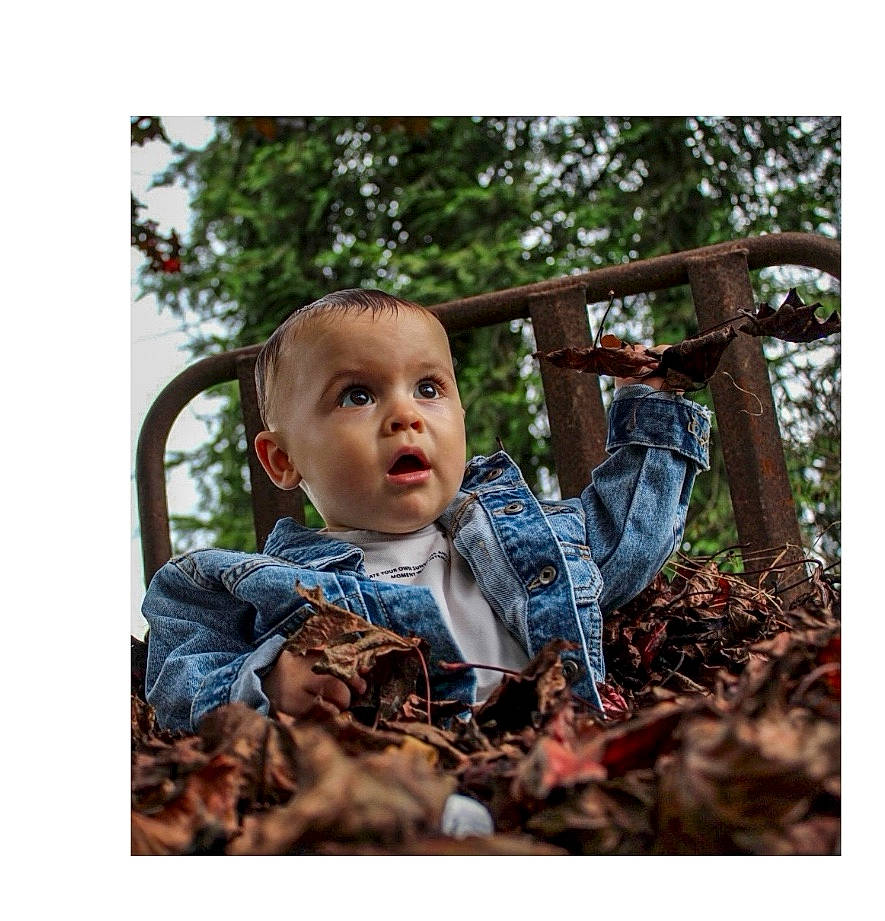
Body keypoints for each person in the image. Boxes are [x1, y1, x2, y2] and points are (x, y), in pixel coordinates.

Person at [142, 289, 711, 736]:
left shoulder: (522, 542)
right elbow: (177, 670)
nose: (404, 415)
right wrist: (266, 680)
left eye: (429, 388)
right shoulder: (274, 587)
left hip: (552, 752)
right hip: (399, 784)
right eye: (357, 396)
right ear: (283, 459)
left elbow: (627, 537)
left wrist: (655, 406)